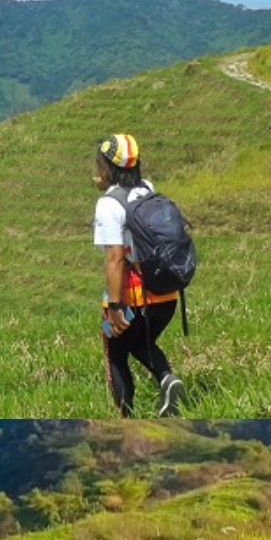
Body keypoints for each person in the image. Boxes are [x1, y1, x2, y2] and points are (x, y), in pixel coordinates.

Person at [94, 134, 187, 418]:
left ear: (108, 167)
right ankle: (167, 379)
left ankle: (126, 418)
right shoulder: (148, 189)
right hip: (166, 294)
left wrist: (115, 307)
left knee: (116, 353)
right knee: (142, 343)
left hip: (133, 297)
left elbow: (115, 258)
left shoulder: (109, 204)